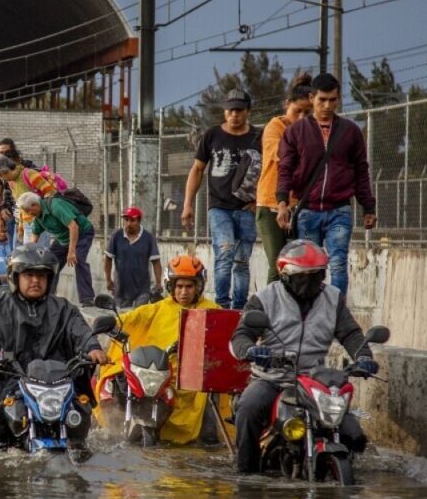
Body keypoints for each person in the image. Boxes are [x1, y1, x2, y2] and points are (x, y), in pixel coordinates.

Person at [230, 239, 377, 473]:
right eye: (302, 276)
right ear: (285, 274)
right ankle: (245, 475)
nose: (310, 282)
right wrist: (251, 351)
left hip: (314, 380)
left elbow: (351, 334)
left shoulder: (333, 298)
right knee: (248, 409)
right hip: (273, 378)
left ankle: (344, 468)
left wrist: (364, 357)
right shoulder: (265, 298)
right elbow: (241, 335)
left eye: (316, 275)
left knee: (353, 432)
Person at [0, 244, 108, 445]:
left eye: (42, 276)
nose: (35, 280)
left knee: (81, 414)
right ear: (15, 277)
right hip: (7, 377)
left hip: (55, 381)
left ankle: (77, 449)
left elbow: (80, 330)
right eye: (28, 275)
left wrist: (93, 348)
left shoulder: (63, 308)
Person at [95, 255, 223, 444]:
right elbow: (133, 319)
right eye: (179, 286)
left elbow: (227, 332)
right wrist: (113, 323)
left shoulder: (213, 310)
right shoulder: (158, 308)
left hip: (196, 382)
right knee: (116, 382)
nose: (184, 292)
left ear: (199, 287)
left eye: (189, 286)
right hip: (157, 373)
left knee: (210, 429)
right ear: (171, 287)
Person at [275, 72, 377, 295]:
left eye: (332, 100)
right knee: (307, 267)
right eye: (322, 99)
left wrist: (368, 206)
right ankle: (309, 310)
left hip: (339, 209)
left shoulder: (350, 131)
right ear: (312, 98)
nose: (327, 105)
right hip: (307, 210)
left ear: (339, 98)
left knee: (339, 262)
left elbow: (361, 170)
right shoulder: (296, 131)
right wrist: (282, 202)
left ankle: (336, 313)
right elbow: (284, 169)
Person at [181, 88, 261, 309]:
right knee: (224, 253)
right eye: (230, 110)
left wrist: (259, 201)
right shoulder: (212, 135)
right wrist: (188, 204)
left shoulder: (258, 137)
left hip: (247, 209)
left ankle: (240, 308)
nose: (234, 114)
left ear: (248, 111)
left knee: (242, 261)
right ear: (224, 112)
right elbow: (197, 170)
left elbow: (270, 172)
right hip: (219, 208)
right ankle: (222, 306)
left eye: (239, 110)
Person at [257, 74, 313, 283]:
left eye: (307, 113)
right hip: (270, 204)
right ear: (286, 105)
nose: (301, 117)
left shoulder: (313, 130)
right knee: (278, 263)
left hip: (300, 206)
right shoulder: (275, 126)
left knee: (301, 265)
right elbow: (281, 156)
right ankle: (270, 308)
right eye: (297, 111)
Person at [18, 191, 96, 307]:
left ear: (35, 204)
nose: (29, 214)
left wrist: (71, 251)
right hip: (63, 239)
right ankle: (48, 296)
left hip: (82, 233)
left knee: (78, 259)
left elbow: (73, 226)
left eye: (29, 210)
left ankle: (87, 299)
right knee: (50, 264)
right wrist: (24, 256)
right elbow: (33, 240)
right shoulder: (38, 217)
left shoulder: (55, 206)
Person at [103, 206, 162, 308]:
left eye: (132, 220)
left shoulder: (148, 238)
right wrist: (108, 279)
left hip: (142, 287)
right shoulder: (117, 236)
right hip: (121, 287)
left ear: (139, 221)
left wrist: (158, 282)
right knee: (123, 318)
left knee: (139, 315)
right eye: (126, 220)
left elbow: (156, 262)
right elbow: (108, 258)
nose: (128, 224)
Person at [0, 138, 36, 248]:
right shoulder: (0, 168)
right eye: (1, 153)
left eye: (6, 152)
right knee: (14, 246)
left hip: (29, 214)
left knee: (28, 246)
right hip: (10, 213)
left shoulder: (27, 169)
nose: (3, 155)